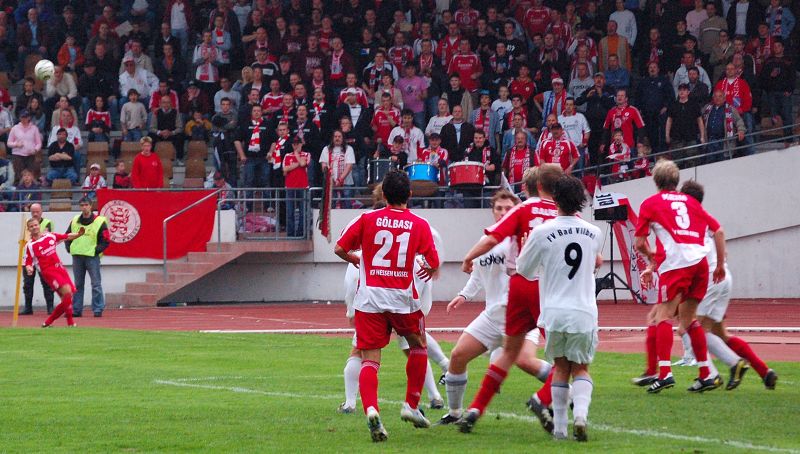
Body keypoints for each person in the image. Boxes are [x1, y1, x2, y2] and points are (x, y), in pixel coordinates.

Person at [456, 164, 563, 434]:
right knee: (567, 358)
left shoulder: (523, 210)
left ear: (535, 186)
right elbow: (594, 259)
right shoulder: (564, 213)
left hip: (519, 285)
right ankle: (544, 398)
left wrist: (468, 257)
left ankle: (475, 408)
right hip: (549, 287)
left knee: (509, 353)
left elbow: (492, 238)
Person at [334, 169, 440, 442]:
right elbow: (433, 261)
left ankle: (371, 409)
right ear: (410, 194)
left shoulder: (367, 219)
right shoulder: (418, 224)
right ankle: (411, 405)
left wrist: (356, 259)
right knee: (418, 346)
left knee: (370, 359)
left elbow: (339, 248)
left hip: (369, 299)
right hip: (403, 299)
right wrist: (429, 268)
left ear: (383, 194)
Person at [438, 190, 552, 425]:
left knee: (525, 361)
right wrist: (463, 295)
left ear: (516, 210)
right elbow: (478, 275)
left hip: (521, 316)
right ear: (492, 211)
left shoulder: (523, 238)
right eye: (498, 208)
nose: (502, 212)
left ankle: (565, 388)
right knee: (458, 356)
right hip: (492, 316)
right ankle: (455, 413)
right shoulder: (487, 240)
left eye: (508, 208)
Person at [516, 175, 602, 441]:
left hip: (554, 311)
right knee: (582, 368)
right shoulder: (595, 232)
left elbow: (523, 270)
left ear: (555, 200)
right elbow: (594, 264)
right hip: (584, 310)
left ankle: (561, 430)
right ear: (581, 201)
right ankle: (581, 417)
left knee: (561, 368)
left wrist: (530, 251)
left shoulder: (542, 231)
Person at [634, 160, 726, 393]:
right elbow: (718, 230)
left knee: (662, 316)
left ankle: (664, 373)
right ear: (676, 180)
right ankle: (706, 374)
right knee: (689, 319)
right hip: (701, 264)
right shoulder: (691, 201)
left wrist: (651, 258)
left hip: (676, 263)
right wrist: (720, 265)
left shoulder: (650, 203)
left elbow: (639, 243)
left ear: (655, 180)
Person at [679, 180, 778, 390]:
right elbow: (719, 238)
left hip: (709, 278)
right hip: (723, 277)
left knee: (688, 328)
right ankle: (764, 370)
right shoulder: (704, 217)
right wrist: (721, 263)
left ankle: (714, 374)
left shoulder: (688, 220)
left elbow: (716, 235)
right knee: (719, 333)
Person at [25, 218, 85, 327]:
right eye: (31, 226)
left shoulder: (49, 236)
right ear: (28, 229)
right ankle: (68, 322)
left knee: (67, 297)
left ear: (39, 225)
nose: (34, 227)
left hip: (60, 268)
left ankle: (50, 323)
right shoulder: (30, 245)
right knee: (67, 291)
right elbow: (28, 261)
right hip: (48, 272)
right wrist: (29, 268)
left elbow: (66, 236)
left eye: (35, 225)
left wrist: (78, 234)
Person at [65, 197, 109, 318]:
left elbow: (106, 239)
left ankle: (98, 309)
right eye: (82, 205)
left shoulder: (99, 221)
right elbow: (67, 235)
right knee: (78, 285)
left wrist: (96, 250)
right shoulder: (75, 220)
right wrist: (69, 247)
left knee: (96, 284)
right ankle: (76, 309)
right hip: (77, 256)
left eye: (86, 205)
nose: (84, 207)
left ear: (91, 206)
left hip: (92, 257)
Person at [20, 203, 54, 315]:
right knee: (27, 284)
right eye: (33, 212)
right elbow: (23, 239)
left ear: (41, 211)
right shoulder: (26, 223)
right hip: (29, 257)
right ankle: (28, 308)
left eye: (37, 211)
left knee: (47, 283)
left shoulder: (47, 222)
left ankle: (50, 307)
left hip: (42, 258)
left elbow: (46, 236)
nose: (35, 214)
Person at [666, 84, 705, 168]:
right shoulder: (673, 105)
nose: (682, 92)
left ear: (688, 92)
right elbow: (669, 121)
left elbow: (700, 121)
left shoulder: (694, 105)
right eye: (680, 90)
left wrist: (702, 136)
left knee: (692, 161)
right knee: (677, 163)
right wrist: (667, 135)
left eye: (684, 90)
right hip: (677, 138)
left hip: (691, 137)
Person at [702, 89, 746, 163]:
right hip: (710, 141)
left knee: (723, 163)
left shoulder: (730, 109)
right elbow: (700, 119)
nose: (717, 98)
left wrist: (741, 130)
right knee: (710, 164)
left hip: (724, 142)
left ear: (724, 98)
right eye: (715, 96)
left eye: (720, 96)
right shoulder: (707, 108)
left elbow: (739, 120)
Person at [283, 137, 309, 238]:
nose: (296, 145)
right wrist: (298, 163)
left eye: (298, 143)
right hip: (290, 187)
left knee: (303, 212)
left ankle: (301, 234)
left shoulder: (306, 154)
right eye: (294, 144)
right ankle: (290, 234)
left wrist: (297, 154)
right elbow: (285, 170)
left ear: (301, 144)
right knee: (290, 212)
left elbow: (303, 164)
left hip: (303, 187)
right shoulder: (287, 155)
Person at [7, 110, 42, 186]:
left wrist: (35, 150)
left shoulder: (34, 128)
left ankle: (31, 190)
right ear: (20, 118)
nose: (24, 119)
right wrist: (16, 144)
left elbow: (39, 143)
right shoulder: (15, 128)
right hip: (18, 155)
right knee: (18, 175)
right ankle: (18, 190)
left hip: (30, 155)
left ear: (29, 118)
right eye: (22, 117)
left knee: (30, 175)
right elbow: (9, 143)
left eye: (25, 117)